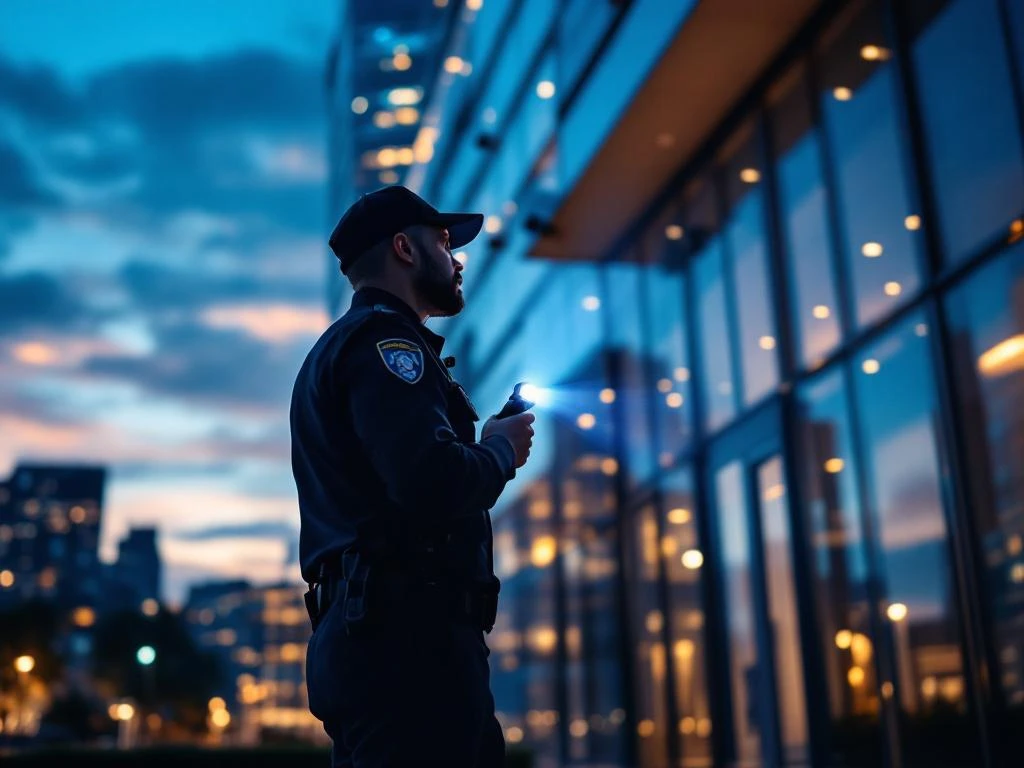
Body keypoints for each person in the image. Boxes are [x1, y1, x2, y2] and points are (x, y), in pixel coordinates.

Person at [291, 185, 536, 767]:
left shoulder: (343, 347)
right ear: (403, 248)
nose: (456, 260)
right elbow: (429, 482)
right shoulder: (386, 342)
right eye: (445, 242)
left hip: (376, 639)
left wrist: (482, 449)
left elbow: (405, 479)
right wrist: (498, 453)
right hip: (410, 648)